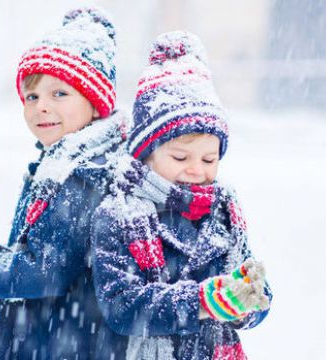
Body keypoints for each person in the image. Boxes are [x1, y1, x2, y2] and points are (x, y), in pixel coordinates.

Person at [0, 7, 128, 359]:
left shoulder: (85, 174)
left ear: (95, 104)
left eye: (59, 94)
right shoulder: (60, 163)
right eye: (32, 96)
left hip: (60, 344)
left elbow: (45, 271)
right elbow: (46, 249)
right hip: (44, 339)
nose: (41, 107)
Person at [91, 31, 272, 359]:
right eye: (180, 158)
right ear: (146, 153)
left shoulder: (223, 209)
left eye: (209, 159)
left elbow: (249, 277)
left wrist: (247, 301)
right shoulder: (120, 213)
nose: (196, 170)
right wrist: (203, 301)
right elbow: (122, 307)